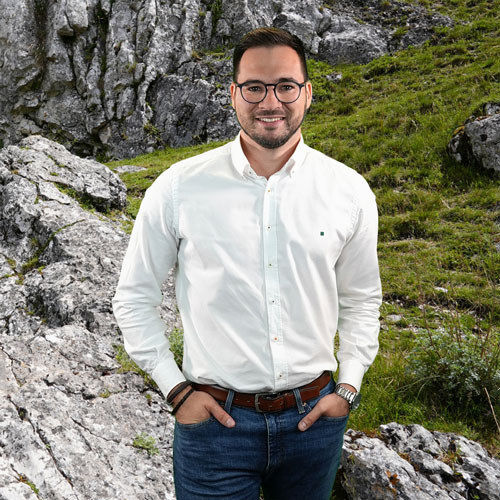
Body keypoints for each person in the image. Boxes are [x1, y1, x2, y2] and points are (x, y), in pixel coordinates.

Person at [113, 27, 381, 500]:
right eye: (255, 87)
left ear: (307, 94)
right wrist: (176, 391)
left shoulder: (349, 191)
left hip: (314, 423)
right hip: (215, 427)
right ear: (234, 94)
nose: (270, 101)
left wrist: (349, 388)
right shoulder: (178, 188)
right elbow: (134, 297)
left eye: (285, 86)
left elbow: (361, 299)